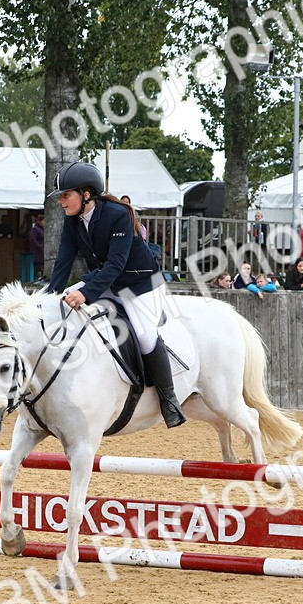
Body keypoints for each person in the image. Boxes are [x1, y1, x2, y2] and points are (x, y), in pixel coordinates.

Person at [47, 161, 185, 428]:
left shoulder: (117, 214)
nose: (60, 201)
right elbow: (63, 261)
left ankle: (170, 401)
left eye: (65, 195)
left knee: (145, 336)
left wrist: (86, 293)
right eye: (60, 196)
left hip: (142, 284)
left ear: (85, 194)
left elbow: (116, 263)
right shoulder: (72, 220)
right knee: (63, 298)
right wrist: (50, 295)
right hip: (106, 280)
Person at [30, 213, 45, 278]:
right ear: (39, 221)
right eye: (43, 221)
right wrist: (39, 246)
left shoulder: (43, 229)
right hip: (38, 251)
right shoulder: (35, 229)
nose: (45, 223)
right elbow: (33, 239)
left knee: (42, 266)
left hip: (43, 250)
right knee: (38, 266)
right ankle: (37, 278)